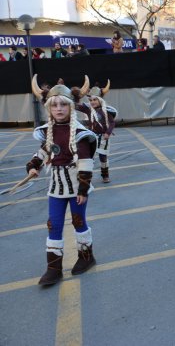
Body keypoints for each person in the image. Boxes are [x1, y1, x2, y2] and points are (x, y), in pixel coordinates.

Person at [29, 77, 97, 285]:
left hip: (76, 187)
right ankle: (53, 269)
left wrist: (83, 190)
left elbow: (85, 163)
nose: (59, 109)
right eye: (54, 105)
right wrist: (33, 166)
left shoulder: (79, 133)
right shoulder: (48, 132)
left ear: (71, 106)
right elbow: (43, 152)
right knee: (54, 225)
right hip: (56, 187)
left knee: (78, 222)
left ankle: (87, 258)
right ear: (49, 108)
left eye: (63, 104)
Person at [75, 81, 117, 183]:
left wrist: (108, 132)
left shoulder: (107, 111)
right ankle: (85, 177)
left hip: (103, 137)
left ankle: (105, 175)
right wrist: (74, 98)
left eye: (95, 100)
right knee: (89, 157)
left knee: (103, 157)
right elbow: (76, 106)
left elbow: (112, 123)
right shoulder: (88, 109)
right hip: (92, 137)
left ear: (100, 100)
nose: (93, 102)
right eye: (91, 100)